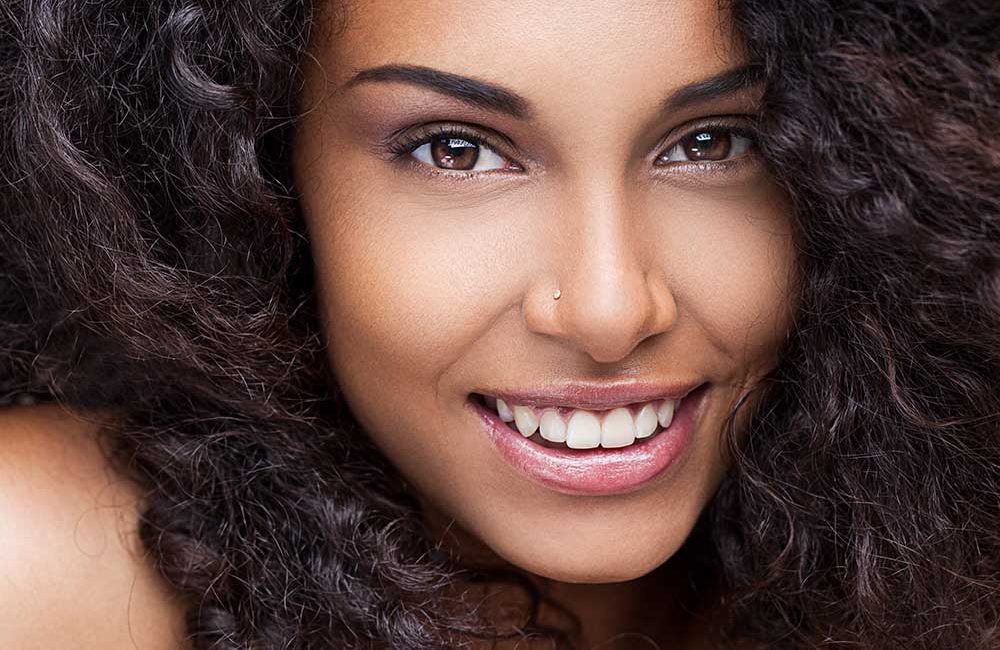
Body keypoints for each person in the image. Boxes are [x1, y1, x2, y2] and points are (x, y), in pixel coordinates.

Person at [1, 1, 997, 648]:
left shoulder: (944, 574)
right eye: (457, 151)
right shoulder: (47, 569)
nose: (611, 308)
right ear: (260, 177)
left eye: (710, 141)